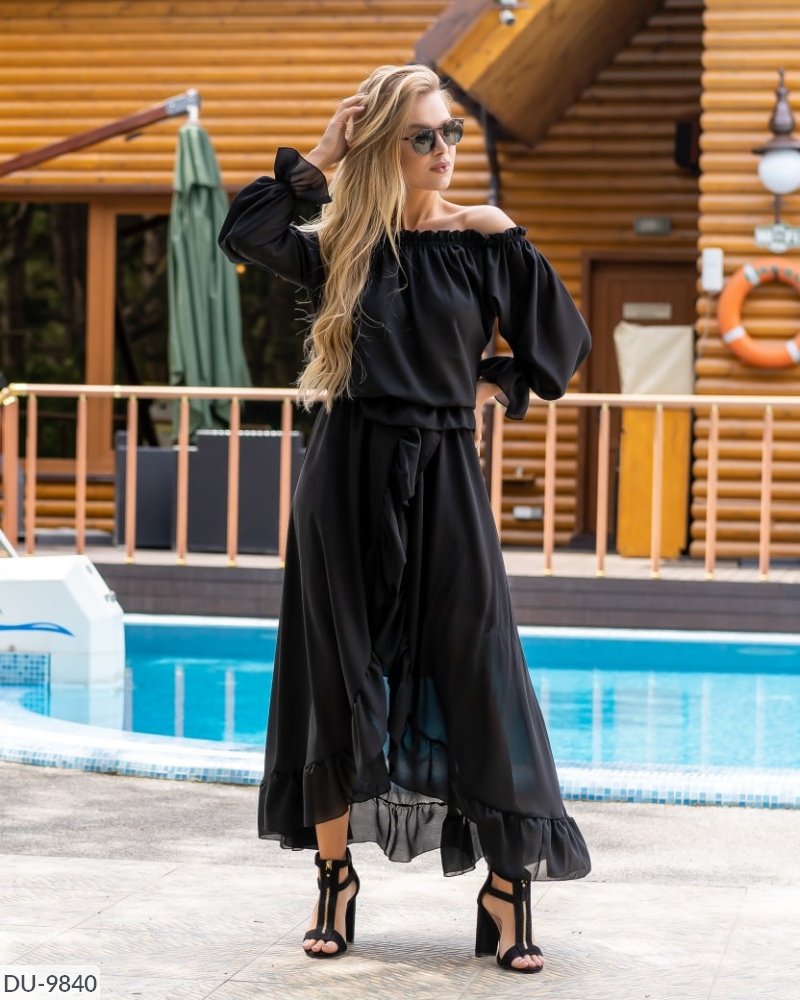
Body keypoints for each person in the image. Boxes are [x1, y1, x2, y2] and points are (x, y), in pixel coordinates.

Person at [219, 64, 592, 974]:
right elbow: (244, 230)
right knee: (338, 672)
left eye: (450, 132)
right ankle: (335, 878)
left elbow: (561, 344)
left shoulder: (483, 236)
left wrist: (493, 382)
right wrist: (323, 152)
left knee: (479, 667)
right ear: (386, 145)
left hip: (444, 472)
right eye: (422, 136)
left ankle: (507, 887)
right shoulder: (343, 242)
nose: (443, 150)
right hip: (343, 473)